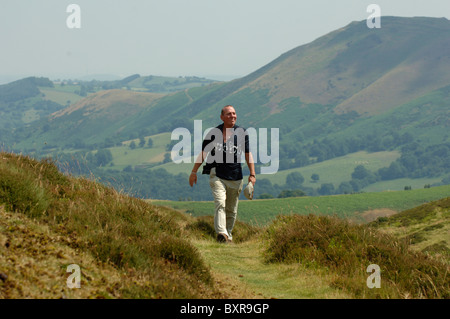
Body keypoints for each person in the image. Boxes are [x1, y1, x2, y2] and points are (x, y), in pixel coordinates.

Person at [189, 105, 256, 243]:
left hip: (236, 176)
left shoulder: (242, 132)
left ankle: (228, 235)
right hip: (217, 174)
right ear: (222, 117)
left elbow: (248, 154)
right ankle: (222, 233)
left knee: (231, 209)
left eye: (234, 113)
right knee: (220, 203)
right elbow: (204, 153)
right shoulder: (213, 133)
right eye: (229, 114)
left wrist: (252, 174)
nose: (232, 116)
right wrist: (193, 171)